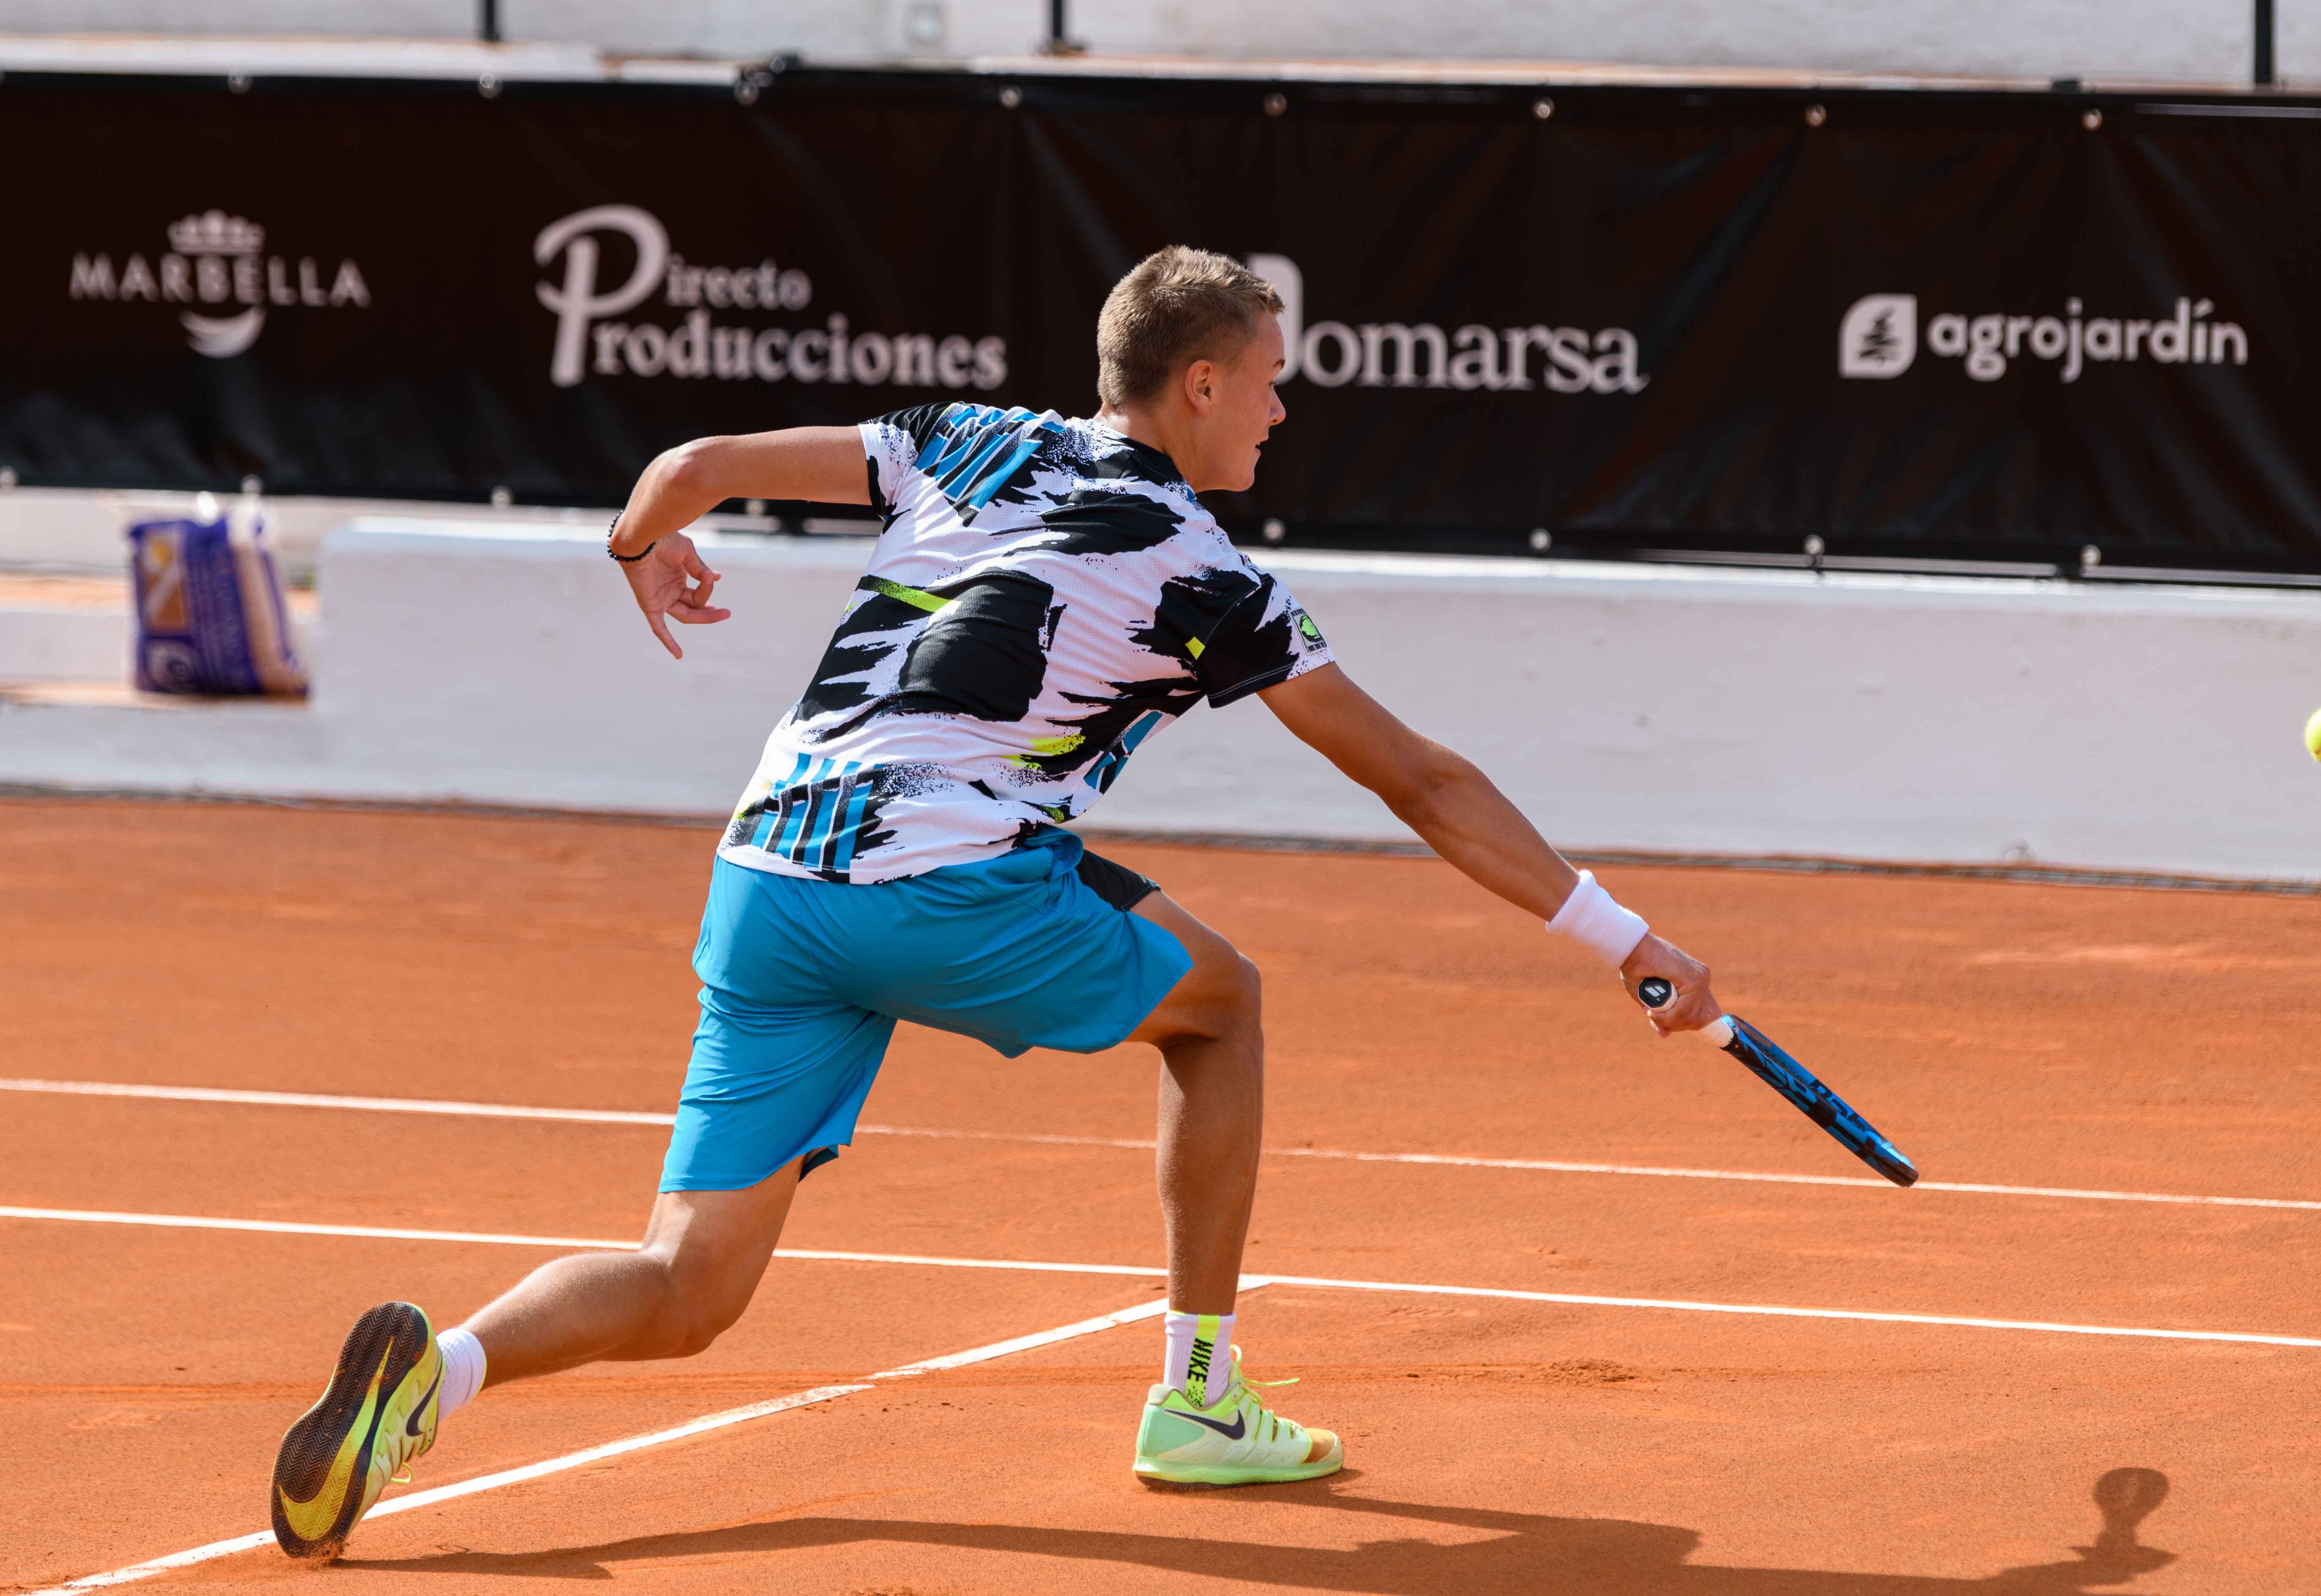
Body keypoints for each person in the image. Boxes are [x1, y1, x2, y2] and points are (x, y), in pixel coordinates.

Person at [268, 246, 1727, 1562]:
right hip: (942, 877)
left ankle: (436, 1370)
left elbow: (695, 462)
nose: (1280, 416)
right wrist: (1624, 940)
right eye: (1270, 385)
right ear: (1201, 382)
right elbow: (1418, 781)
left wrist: (640, 550)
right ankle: (1199, 1396)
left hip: (768, 877)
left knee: (687, 1282)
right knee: (1221, 1005)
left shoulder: (967, 437)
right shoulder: (1205, 571)